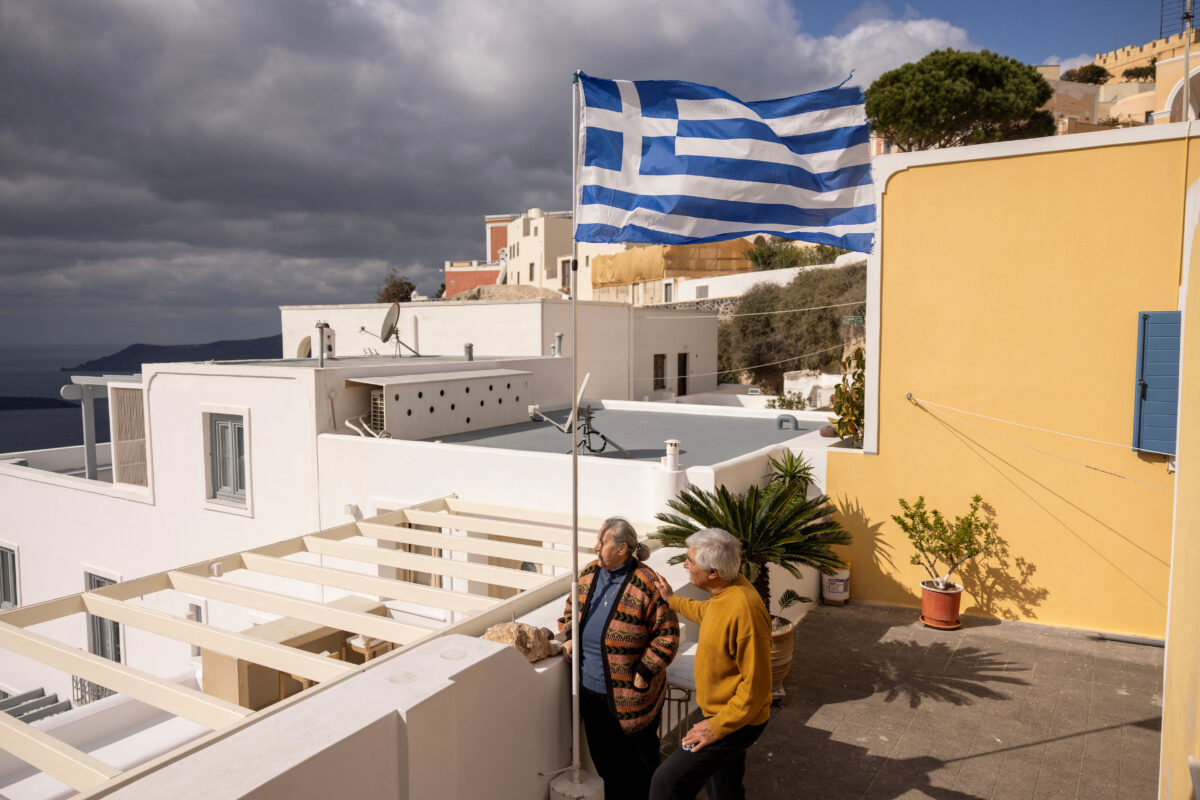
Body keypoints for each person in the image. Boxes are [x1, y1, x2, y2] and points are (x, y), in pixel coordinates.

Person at [558, 517, 679, 800]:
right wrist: (570, 636)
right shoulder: (589, 573)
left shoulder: (647, 583)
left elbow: (667, 634)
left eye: (602, 542)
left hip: (632, 700)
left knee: (640, 770)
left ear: (622, 548)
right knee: (607, 767)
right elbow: (570, 609)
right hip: (592, 695)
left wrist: (643, 673)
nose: (595, 547)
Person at [650, 528, 772, 800]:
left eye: (690, 561)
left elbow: (757, 687)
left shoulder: (745, 610)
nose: (685, 565)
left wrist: (715, 728)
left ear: (712, 572)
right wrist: (672, 600)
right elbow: (710, 614)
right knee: (725, 790)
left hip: (736, 720)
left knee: (666, 783)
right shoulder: (727, 591)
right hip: (723, 715)